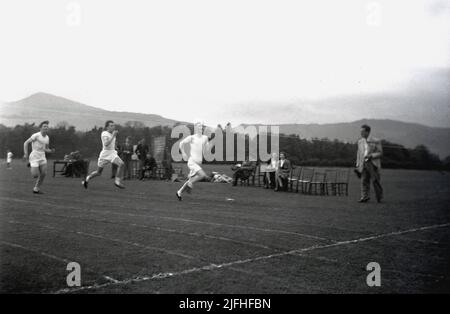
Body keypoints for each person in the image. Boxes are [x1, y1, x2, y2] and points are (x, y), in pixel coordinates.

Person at [82, 120, 125, 189]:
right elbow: (106, 144)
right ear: (107, 127)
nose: (113, 127)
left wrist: (115, 147)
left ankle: (117, 181)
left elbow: (111, 143)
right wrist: (113, 136)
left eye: (113, 125)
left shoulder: (112, 134)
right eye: (111, 126)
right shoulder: (104, 133)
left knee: (121, 164)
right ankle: (87, 178)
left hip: (112, 153)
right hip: (105, 154)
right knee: (98, 172)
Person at [176, 120, 210, 201]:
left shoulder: (205, 138)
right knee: (202, 175)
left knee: (190, 180)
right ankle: (190, 184)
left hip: (198, 163)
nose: (200, 128)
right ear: (195, 128)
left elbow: (207, 148)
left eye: (201, 127)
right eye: (198, 127)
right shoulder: (191, 137)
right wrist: (183, 153)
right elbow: (181, 143)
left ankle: (179, 192)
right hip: (192, 162)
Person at [23, 121, 55, 194]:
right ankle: (31, 163)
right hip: (34, 156)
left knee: (43, 174)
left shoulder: (47, 138)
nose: (46, 127)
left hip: (42, 156)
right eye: (44, 126)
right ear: (40, 128)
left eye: (47, 126)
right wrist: (25, 154)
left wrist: (51, 151)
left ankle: (36, 188)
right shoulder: (36, 135)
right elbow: (26, 143)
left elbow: (46, 149)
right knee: (35, 175)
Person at [356, 124, 383, 203]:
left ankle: (379, 197)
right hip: (363, 163)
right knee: (364, 180)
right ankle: (365, 197)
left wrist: (371, 156)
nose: (361, 133)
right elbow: (359, 154)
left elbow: (380, 153)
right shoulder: (360, 142)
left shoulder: (376, 141)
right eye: (360, 131)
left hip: (372, 163)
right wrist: (357, 164)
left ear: (368, 132)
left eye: (363, 131)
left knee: (375, 181)